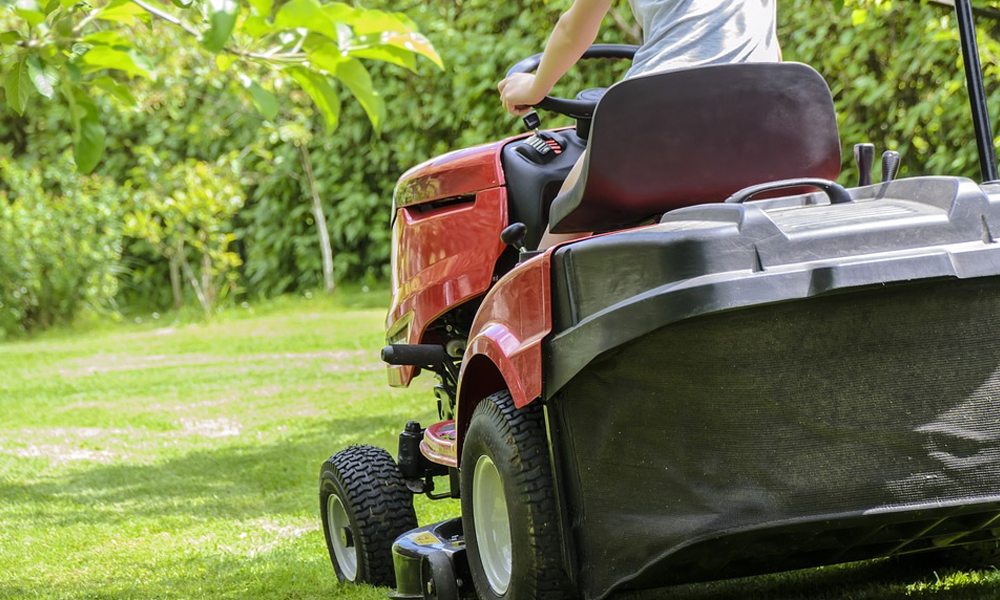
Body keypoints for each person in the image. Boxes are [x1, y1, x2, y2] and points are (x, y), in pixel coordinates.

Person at [497, 0, 781, 247]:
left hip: (662, 112)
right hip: (766, 117)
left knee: (565, 222)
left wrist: (535, 88)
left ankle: (534, 304)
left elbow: (573, 30)